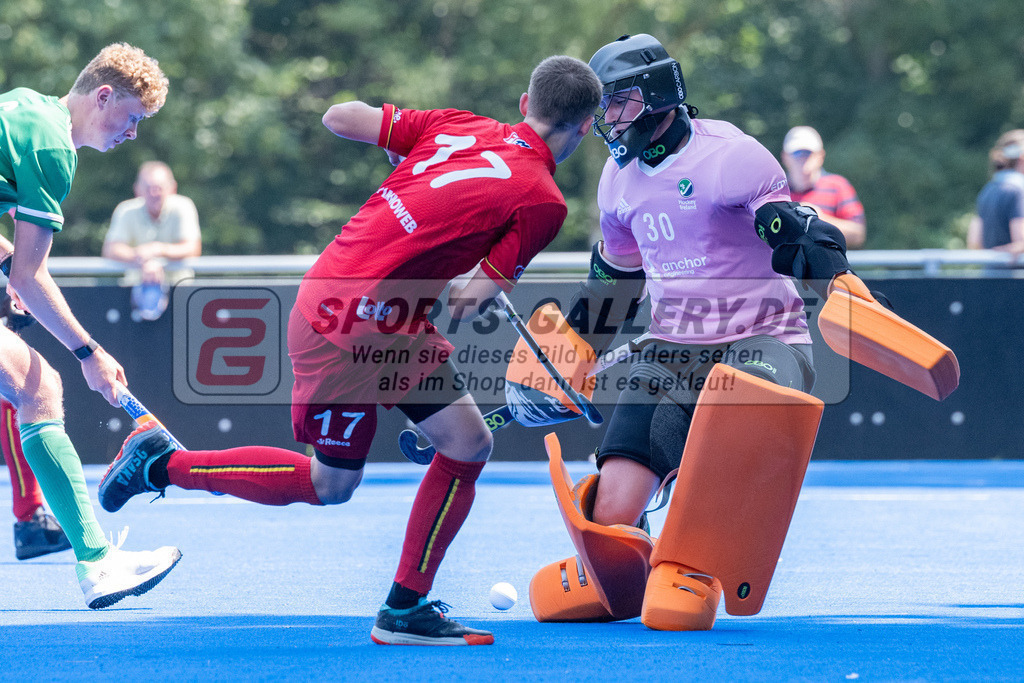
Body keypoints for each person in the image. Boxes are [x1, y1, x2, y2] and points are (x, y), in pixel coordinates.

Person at [99, 54, 603, 644]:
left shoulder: (457, 124)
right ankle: (161, 463)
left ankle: (405, 608)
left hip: (355, 304)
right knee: (330, 484)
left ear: (525, 103)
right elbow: (468, 300)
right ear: (587, 125)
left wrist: (403, 154)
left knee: (467, 442)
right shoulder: (543, 201)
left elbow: (339, 116)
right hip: (353, 330)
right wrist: (479, 285)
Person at [528, 34, 856, 631]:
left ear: (657, 97)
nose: (607, 117)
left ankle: (696, 561)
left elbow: (793, 236)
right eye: (603, 103)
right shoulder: (616, 179)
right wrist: (567, 353)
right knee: (614, 509)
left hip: (766, 341)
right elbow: (614, 284)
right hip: (675, 346)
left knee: (732, 420)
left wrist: (829, 269)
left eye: (619, 102)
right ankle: (635, 566)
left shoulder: (732, 156)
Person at [0, 43, 182, 608]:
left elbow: (19, 270)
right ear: (103, 96)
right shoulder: (55, 149)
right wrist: (89, 353)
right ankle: (98, 563)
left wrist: (6, 263)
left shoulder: (24, 104)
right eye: (131, 118)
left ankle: (94, 556)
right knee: (40, 386)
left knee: (30, 387)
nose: (132, 135)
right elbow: (34, 277)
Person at [102, 161, 201, 320]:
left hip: (182, 294)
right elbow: (111, 249)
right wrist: (144, 260)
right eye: (149, 188)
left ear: (172, 188)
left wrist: (158, 250)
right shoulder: (126, 210)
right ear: (137, 189)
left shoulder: (184, 206)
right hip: (132, 296)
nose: (154, 193)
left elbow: (193, 248)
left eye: (159, 188)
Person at [780, 125, 866, 248]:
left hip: (826, 265)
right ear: (785, 157)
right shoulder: (776, 191)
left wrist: (818, 220)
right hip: (783, 266)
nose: (802, 158)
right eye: (797, 153)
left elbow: (858, 235)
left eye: (807, 153)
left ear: (820, 156)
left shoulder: (837, 185)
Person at [967, 129, 1024, 254]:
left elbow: (974, 242)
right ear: (1021, 158)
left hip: (990, 271)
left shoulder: (988, 190)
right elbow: (1020, 241)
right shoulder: (1018, 190)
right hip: (1015, 272)